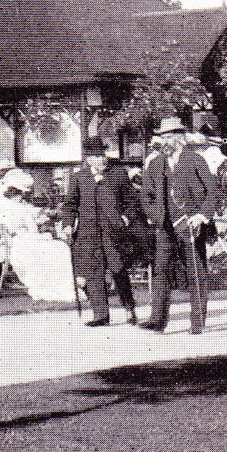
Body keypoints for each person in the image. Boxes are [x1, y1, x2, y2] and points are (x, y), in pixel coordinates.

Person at [139, 117, 219, 334]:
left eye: (169, 136)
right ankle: (157, 320)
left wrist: (201, 216)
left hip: (191, 227)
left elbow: (212, 191)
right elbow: (146, 196)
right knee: (161, 271)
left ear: (180, 137)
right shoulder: (155, 164)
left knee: (195, 271)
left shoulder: (195, 160)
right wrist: (156, 215)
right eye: (162, 136)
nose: (165, 141)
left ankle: (197, 322)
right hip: (164, 227)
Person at [60, 138, 141, 327]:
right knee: (94, 274)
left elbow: (132, 202)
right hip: (87, 234)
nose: (99, 159)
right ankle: (101, 315)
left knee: (118, 270)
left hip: (113, 232)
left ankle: (129, 309)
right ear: (88, 158)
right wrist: (67, 224)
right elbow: (70, 205)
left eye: (101, 155)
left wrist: (126, 218)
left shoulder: (118, 174)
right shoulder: (78, 177)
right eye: (94, 156)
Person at [0, 169, 77, 305]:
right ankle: (51, 286)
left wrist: (40, 221)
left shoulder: (19, 206)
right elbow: (15, 227)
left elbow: (34, 217)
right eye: (20, 193)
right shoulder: (10, 207)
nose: (22, 196)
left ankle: (63, 285)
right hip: (17, 243)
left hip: (27, 239)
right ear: (14, 192)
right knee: (52, 249)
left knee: (60, 248)